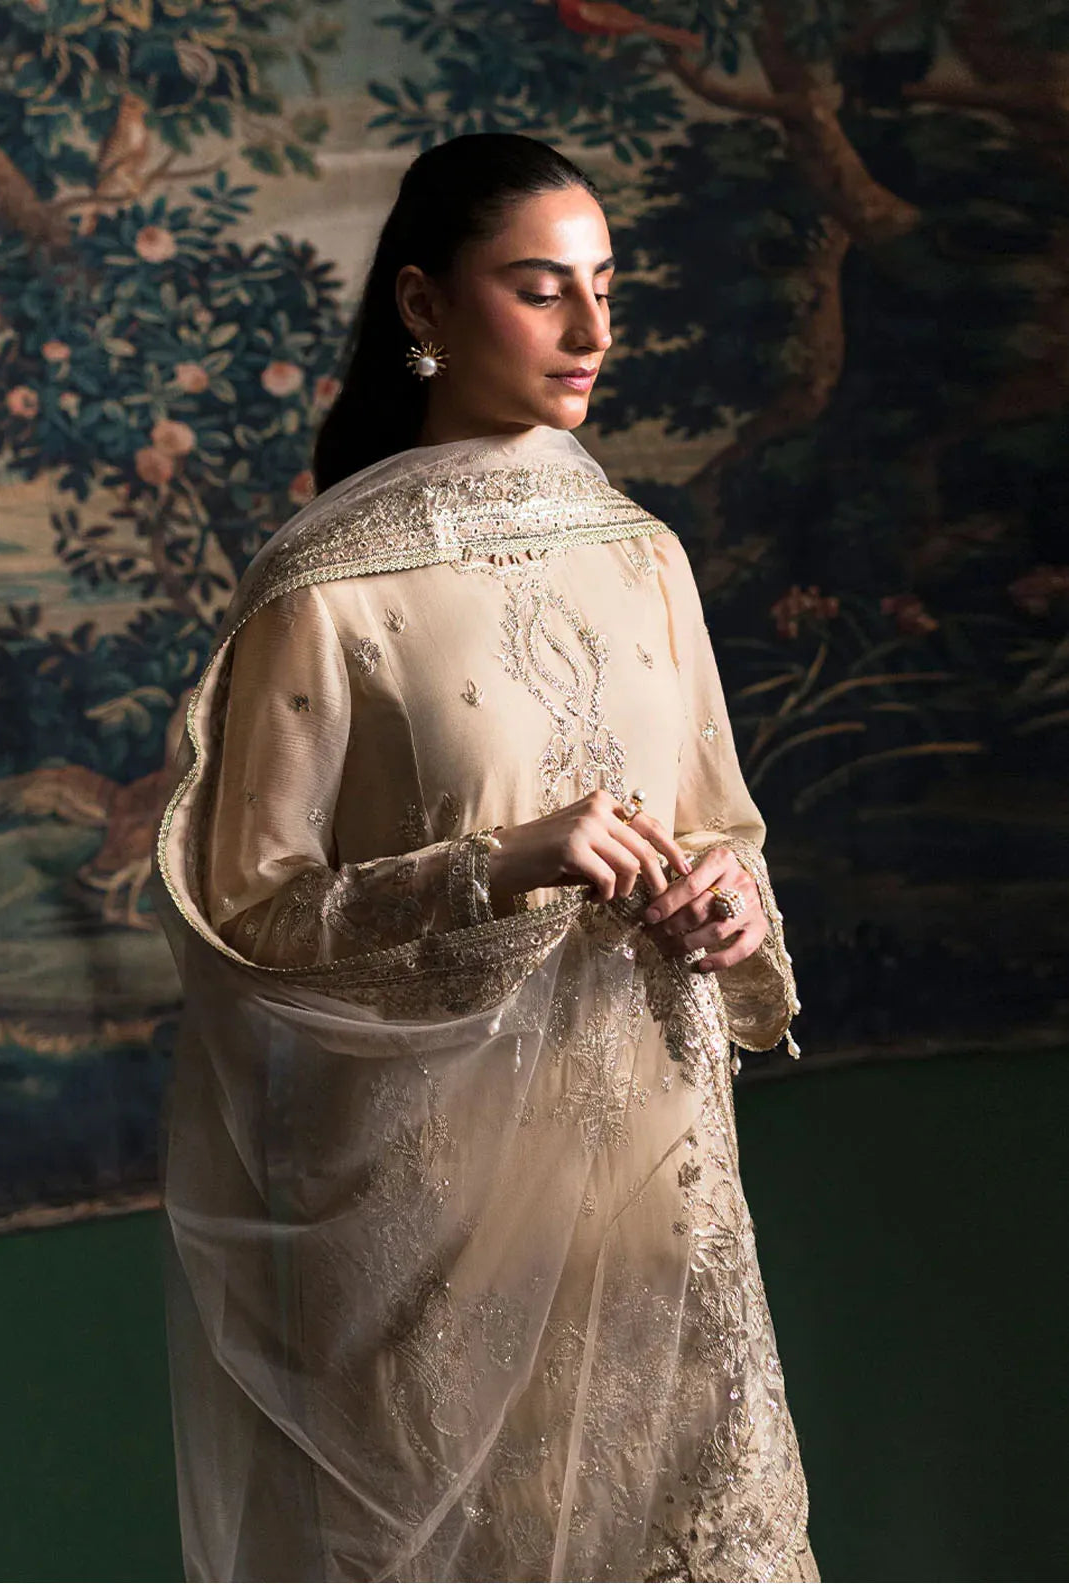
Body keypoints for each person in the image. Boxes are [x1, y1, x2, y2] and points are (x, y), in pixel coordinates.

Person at [154, 131, 819, 1584]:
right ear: (424, 304)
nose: (591, 331)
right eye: (540, 288)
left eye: (604, 287)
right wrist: (498, 862)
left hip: (660, 1189)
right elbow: (250, 915)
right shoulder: (328, 588)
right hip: (435, 1220)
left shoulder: (641, 554)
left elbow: (722, 823)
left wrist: (728, 900)